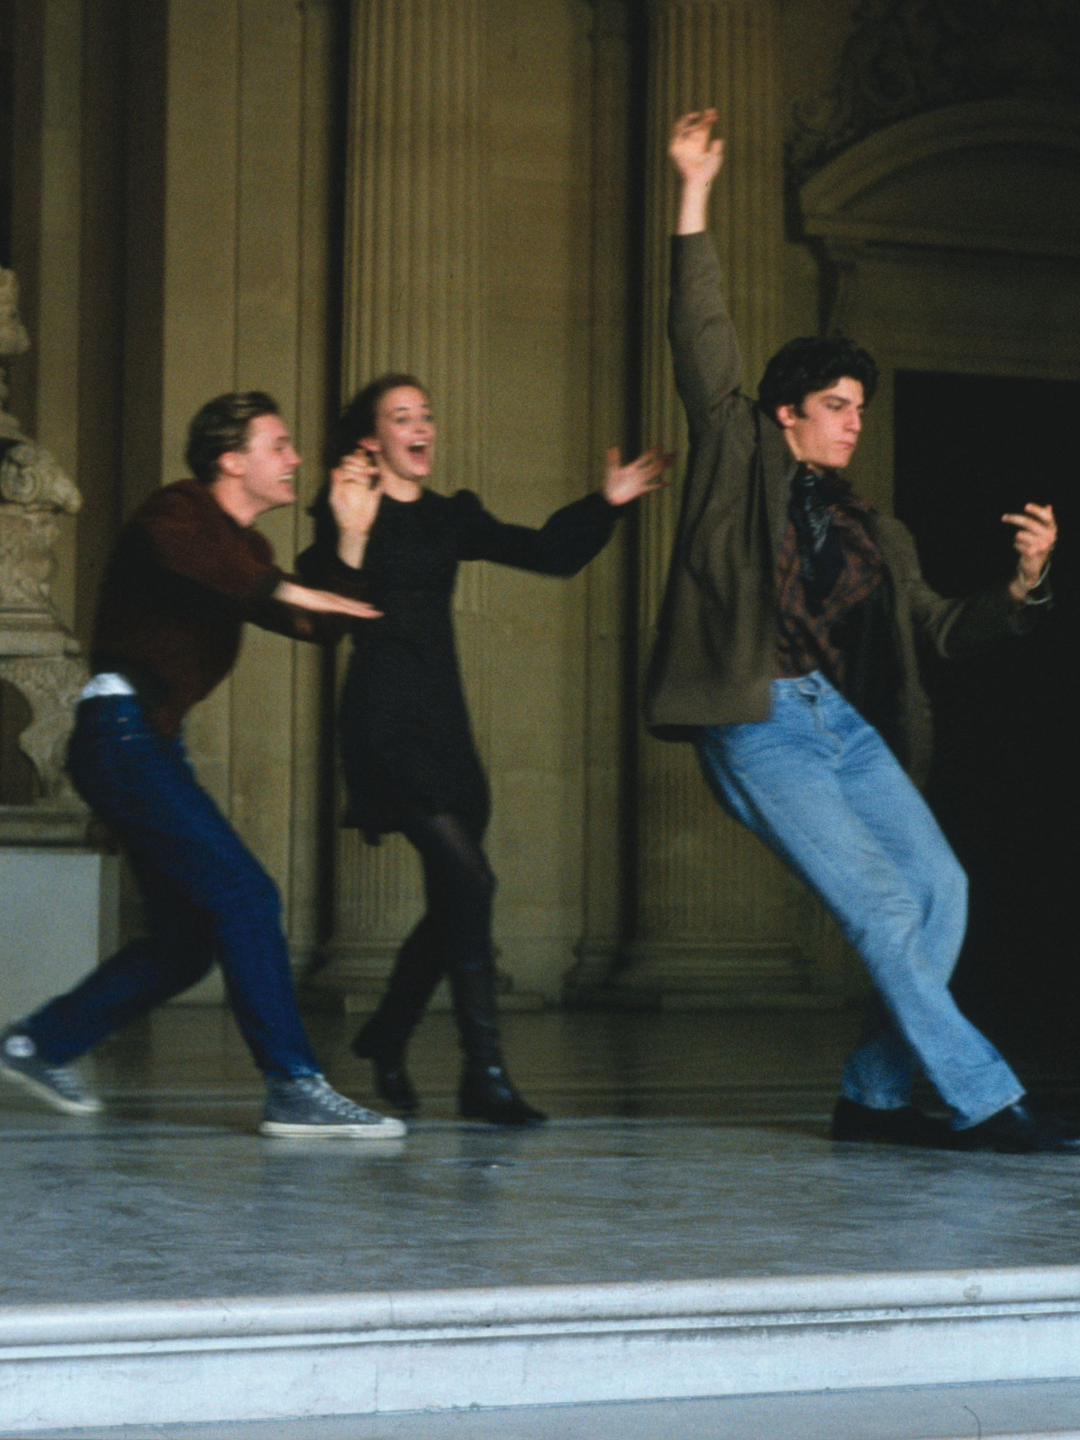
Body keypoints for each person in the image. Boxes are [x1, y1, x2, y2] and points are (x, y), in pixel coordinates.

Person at [648, 110, 1074, 1153]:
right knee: (882, 907)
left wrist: (1022, 587)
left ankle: (872, 1097)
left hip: (839, 725)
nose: (853, 421)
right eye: (836, 404)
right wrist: (693, 191)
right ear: (787, 412)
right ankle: (988, 1099)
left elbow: (941, 632)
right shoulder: (737, 456)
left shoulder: (877, 529)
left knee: (940, 890)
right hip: (757, 721)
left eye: (860, 408)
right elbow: (702, 341)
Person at [0, 392, 405, 1140]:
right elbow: (184, 556)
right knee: (246, 895)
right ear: (231, 460)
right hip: (120, 734)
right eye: (278, 445)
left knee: (184, 945)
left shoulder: (247, 552)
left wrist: (351, 535)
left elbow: (317, 624)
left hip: (143, 742)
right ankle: (294, 1085)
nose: (294, 458)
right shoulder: (178, 510)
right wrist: (288, 586)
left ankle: (38, 1044)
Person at [299, 375, 669, 1124]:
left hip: (444, 721)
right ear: (371, 440)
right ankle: (484, 1073)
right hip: (382, 719)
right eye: (401, 417)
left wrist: (607, 503)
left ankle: (388, 1031)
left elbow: (546, 553)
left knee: (456, 895)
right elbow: (323, 592)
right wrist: (350, 530)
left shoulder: (450, 516)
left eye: (426, 415)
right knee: (473, 881)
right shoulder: (349, 507)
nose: (421, 427)